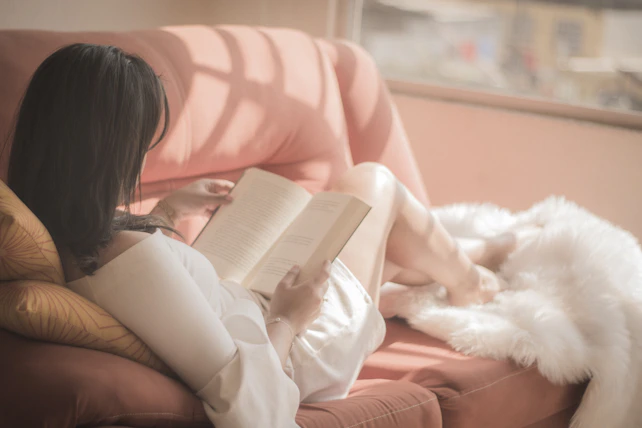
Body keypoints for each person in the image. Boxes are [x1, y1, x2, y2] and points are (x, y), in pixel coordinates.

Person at [7, 44, 525, 427]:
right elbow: (247, 402)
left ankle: (461, 261)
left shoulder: (65, 228)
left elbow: (153, 298)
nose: (144, 158)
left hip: (252, 310)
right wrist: (288, 316)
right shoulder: (125, 261)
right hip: (297, 350)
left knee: (365, 230)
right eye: (142, 144)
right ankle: (471, 282)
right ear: (108, 150)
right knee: (372, 184)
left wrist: (166, 209)